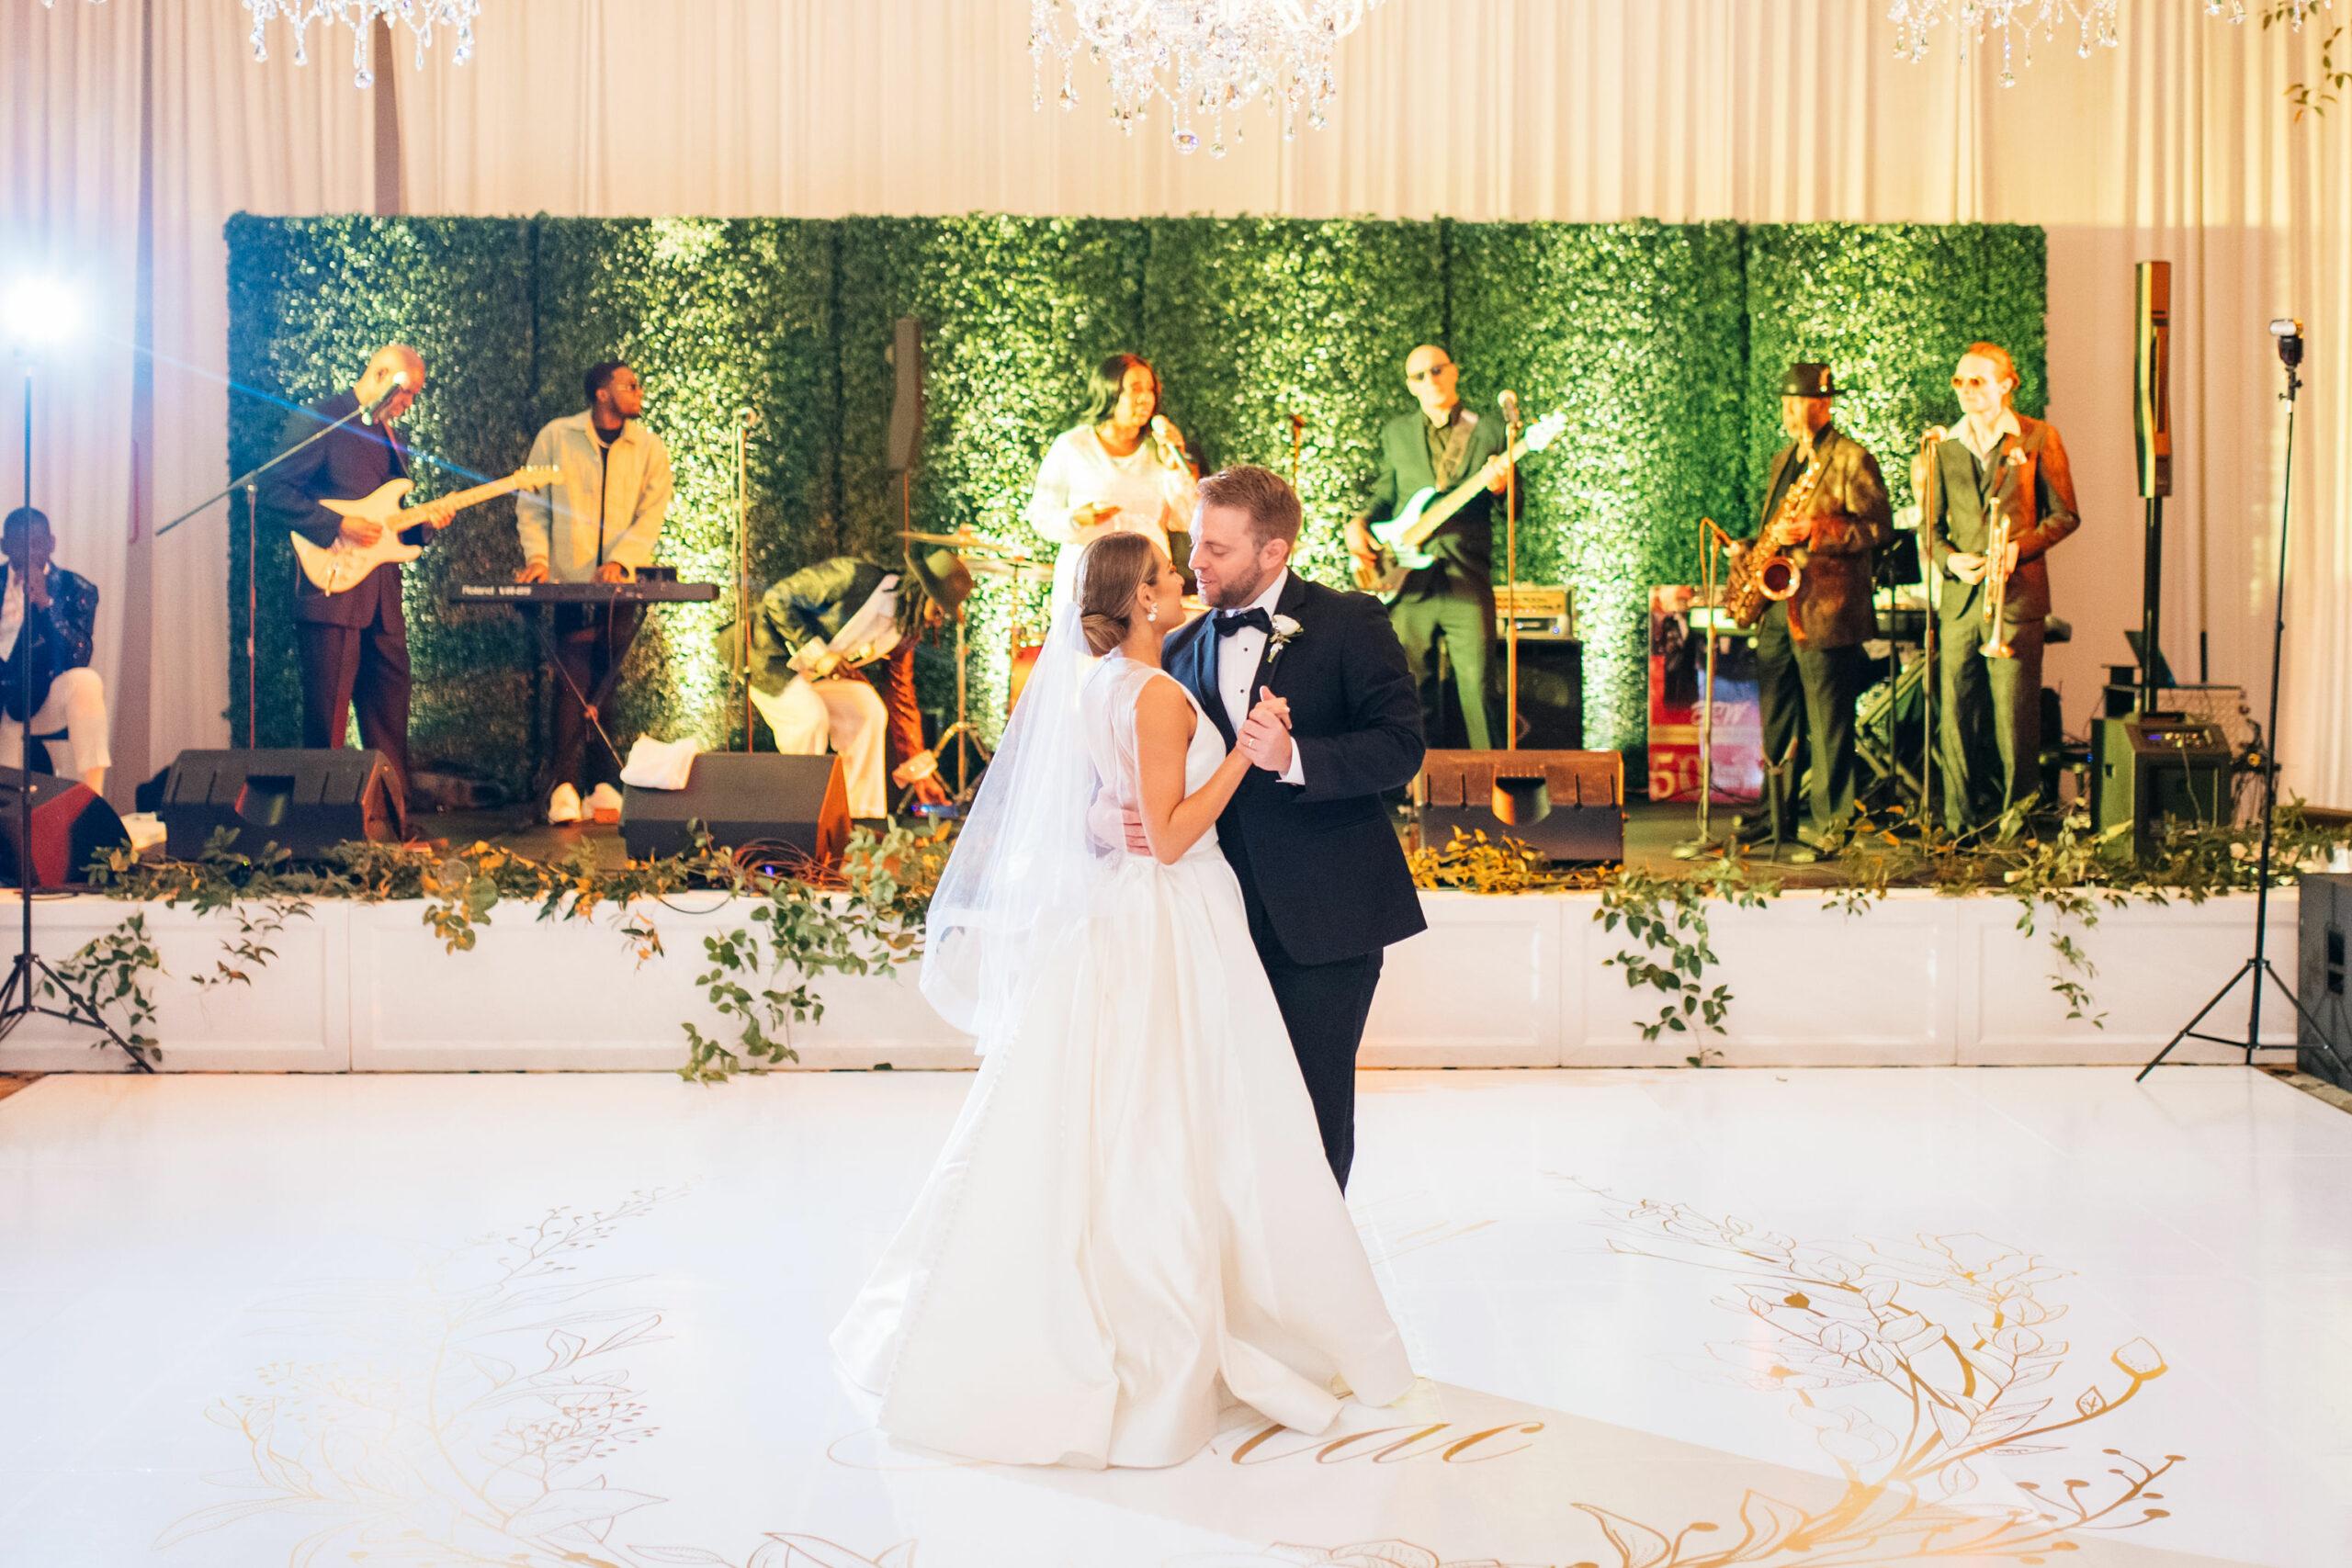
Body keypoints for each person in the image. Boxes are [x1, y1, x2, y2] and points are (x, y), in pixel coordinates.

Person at [831, 528, 1414, 1468]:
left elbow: (1120, 801)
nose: (1185, 574)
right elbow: (1175, 834)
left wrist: (1114, 810)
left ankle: (1233, 1295)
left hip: (1153, 912)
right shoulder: (1150, 686)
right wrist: (1245, 757)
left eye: (1201, 554)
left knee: (1145, 1119)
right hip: (1171, 918)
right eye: (1167, 571)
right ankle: (1188, 1323)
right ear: (1141, 600)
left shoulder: (1100, 681)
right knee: (1183, 1118)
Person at [258, 344, 455, 795]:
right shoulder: (322, 419)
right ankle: (321, 828)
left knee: (390, 713)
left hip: (383, 597)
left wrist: (426, 525)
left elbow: (393, 529)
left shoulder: (395, 440)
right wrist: (339, 522)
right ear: (382, 373)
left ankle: (393, 825)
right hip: (332, 590)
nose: (408, 405)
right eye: (407, 393)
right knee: (326, 721)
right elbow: (274, 490)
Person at [1728, 364, 1892, 863]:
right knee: (1777, 718)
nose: (1787, 409)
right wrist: (1752, 548)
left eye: (1796, 401)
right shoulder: (1786, 460)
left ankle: (1833, 826)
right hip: (1781, 603)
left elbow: (1878, 529)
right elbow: (1779, 527)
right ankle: (1770, 820)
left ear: (1824, 404)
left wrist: (1817, 531)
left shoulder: (1850, 458)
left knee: (1829, 722)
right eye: (1784, 401)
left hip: (1826, 608)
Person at [1923, 343, 2080, 833]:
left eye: (1977, 382)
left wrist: (2019, 549)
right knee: (1955, 718)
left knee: (2016, 722)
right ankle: (1958, 826)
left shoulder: (2039, 437)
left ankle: (2019, 826)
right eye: (1959, 382)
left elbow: (2065, 515)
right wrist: (1952, 562)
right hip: (1962, 601)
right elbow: (1929, 530)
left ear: (2006, 385)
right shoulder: (1944, 445)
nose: (1966, 390)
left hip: (2015, 601)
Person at [515, 361, 674, 824]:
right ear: (602, 394)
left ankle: (604, 783)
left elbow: (652, 512)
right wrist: (538, 559)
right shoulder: (557, 436)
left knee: (609, 676)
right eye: (630, 384)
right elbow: (533, 502)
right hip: (568, 581)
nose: (639, 391)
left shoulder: (648, 447)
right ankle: (563, 786)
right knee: (571, 676)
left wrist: (623, 561)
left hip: (619, 583)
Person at [1347, 344, 1513, 750]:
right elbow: (1387, 493)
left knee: (1479, 690)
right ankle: (1418, 787)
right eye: (1419, 376)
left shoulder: (1490, 429)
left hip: (1466, 576)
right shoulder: (1397, 433)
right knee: (1410, 690)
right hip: (1406, 579)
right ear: (1410, 386)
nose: (1429, 380)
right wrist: (1359, 523)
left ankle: (1491, 790)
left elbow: (1514, 507)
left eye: (1437, 370)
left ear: (1453, 372)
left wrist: (1502, 486)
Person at [732, 548, 971, 817]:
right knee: (809, 718)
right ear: (921, 591)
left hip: (807, 676)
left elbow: (901, 695)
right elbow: (777, 598)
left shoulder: (901, 633)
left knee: (867, 711)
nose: (935, 621)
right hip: (763, 655)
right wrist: (818, 653)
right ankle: (800, 818)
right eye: (938, 610)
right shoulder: (855, 576)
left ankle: (859, 818)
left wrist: (920, 774)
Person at [1024, 352, 1199, 613]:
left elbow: (1186, 519)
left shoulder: (1158, 450)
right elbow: (1040, 517)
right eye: (1135, 389)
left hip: (1147, 582)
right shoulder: (1073, 445)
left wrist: (1174, 465)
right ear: (1109, 392)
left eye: (1150, 389)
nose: (1145, 399)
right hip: (1089, 582)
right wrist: (1077, 518)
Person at [0, 508, 108, 795]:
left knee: (87, 682)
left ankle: (92, 797)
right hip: (5, 705)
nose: (29, 554)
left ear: (52, 543)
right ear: (4, 547)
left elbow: (78, 655)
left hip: (46, 694)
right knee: (9, 798)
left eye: (36, 544)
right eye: (20, 546)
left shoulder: (77, 587)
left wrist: (46, 604)